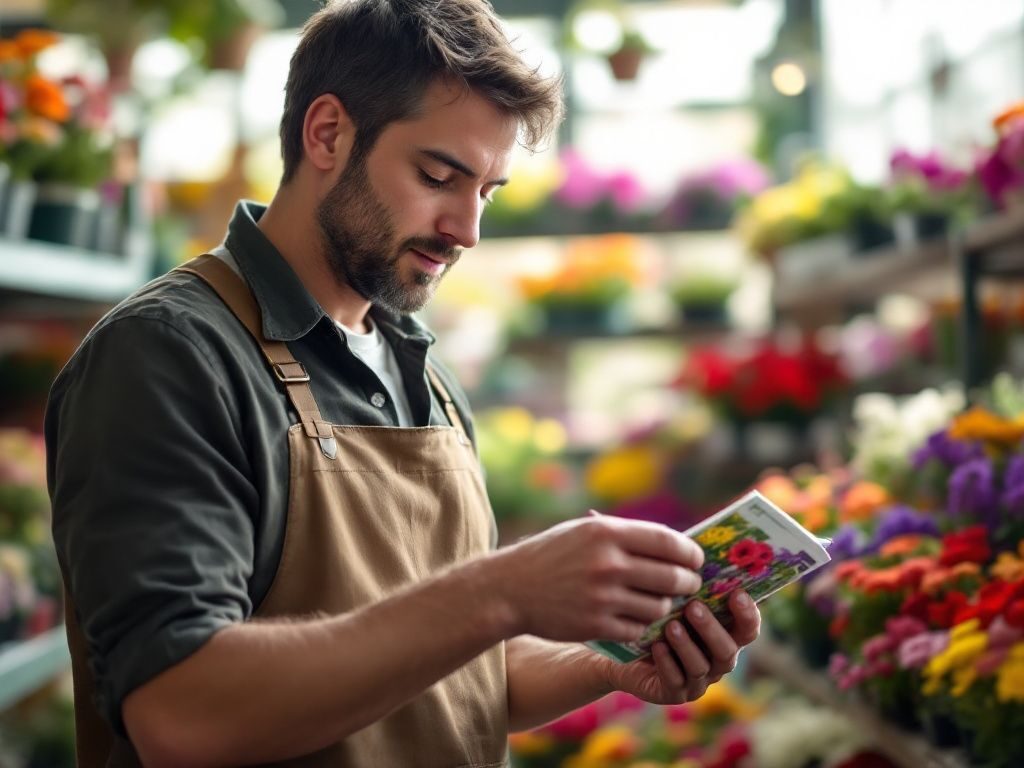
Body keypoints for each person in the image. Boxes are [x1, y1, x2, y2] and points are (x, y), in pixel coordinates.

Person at [45, 1, 762, 765]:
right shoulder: (168, 357)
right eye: (438, 176)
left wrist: (614, 666)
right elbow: (182, 712)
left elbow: (455, 673)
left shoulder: (421, 371)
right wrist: (502, 590)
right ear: (327, 134)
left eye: (486, 191)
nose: (467, 229)